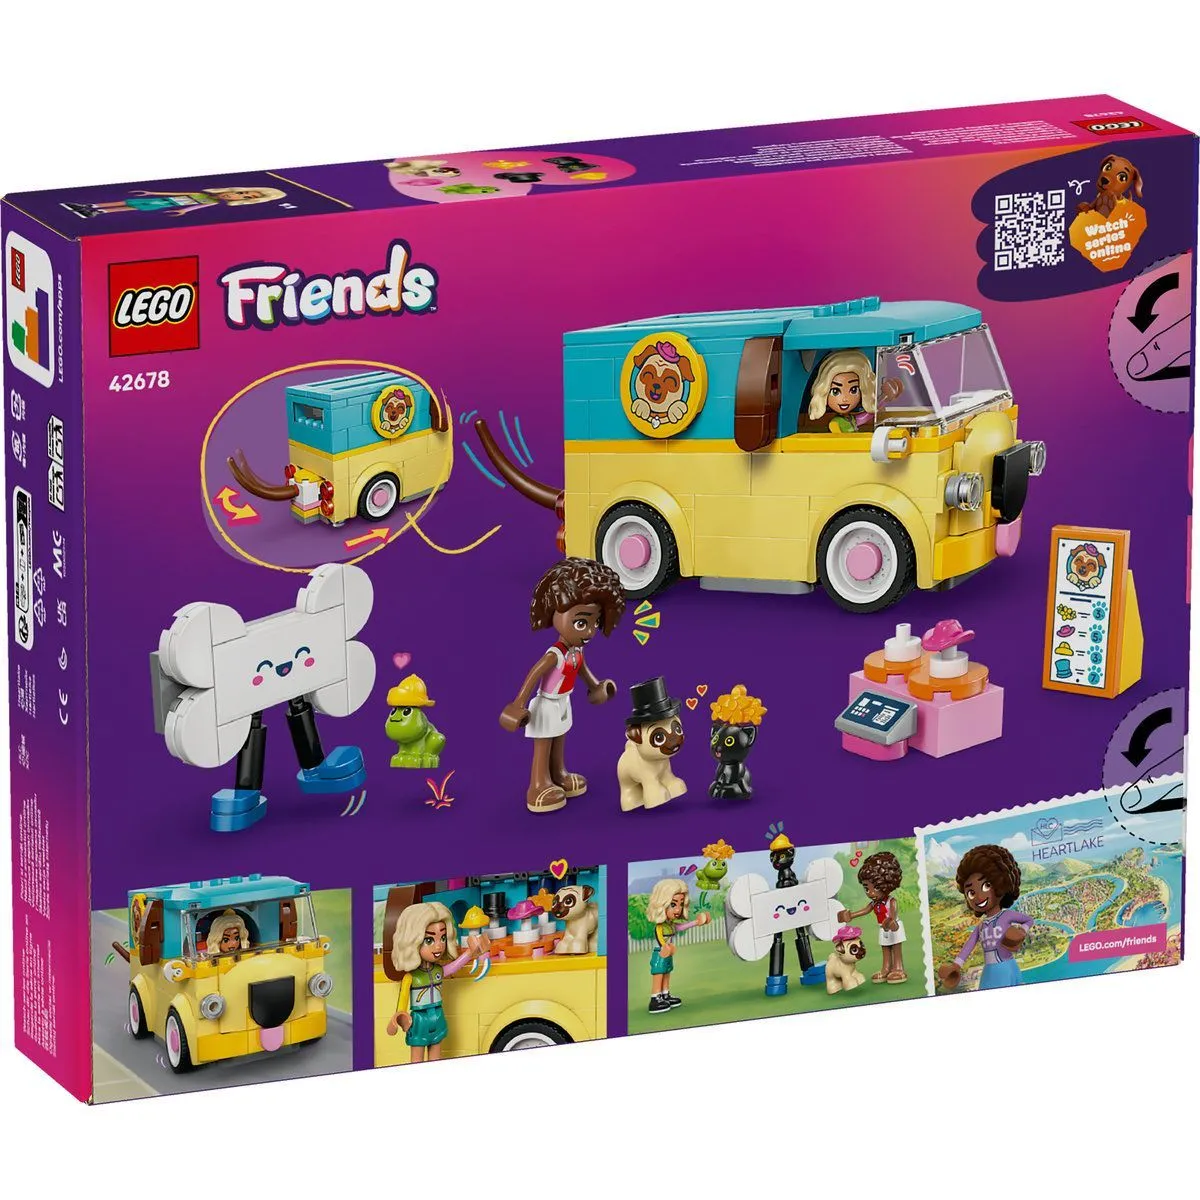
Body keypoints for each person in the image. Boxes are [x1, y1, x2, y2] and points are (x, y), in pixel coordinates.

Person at [500, 557, 626, 813]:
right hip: (546, 704)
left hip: (563, 701)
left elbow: (586, 676)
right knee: (544, 743)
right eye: (581, 623)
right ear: (556, 613)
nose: (589, 632)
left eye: (595, 623)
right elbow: (533, 675)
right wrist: (518, 704)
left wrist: (599, 688)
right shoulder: (554, 654)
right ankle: (538, 785)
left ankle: (558, 774)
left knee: (559, 738)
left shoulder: (577, 653)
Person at [386, 902, 488, 1063]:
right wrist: (400, 1017)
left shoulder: (438, 971)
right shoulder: (411, 977)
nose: (439, 945)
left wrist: (470, 953)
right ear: (412, 941)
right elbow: (402, 1004)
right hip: (419, 1020)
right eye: (429, 940)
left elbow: (454, 967)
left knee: (436, 1057)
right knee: (417, 1060)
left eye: (443, 938)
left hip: (438, 1016)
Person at [937, 844, 1033, 990]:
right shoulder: (981, 926)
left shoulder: (1006, 915)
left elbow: (1029, 920)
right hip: (989, 972)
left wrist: (1021, 931)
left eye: (986, 885)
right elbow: (969, 945)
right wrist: (956, 965)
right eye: (971, 893)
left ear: (1000, 884)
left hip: (1006, 967)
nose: (979, 897)